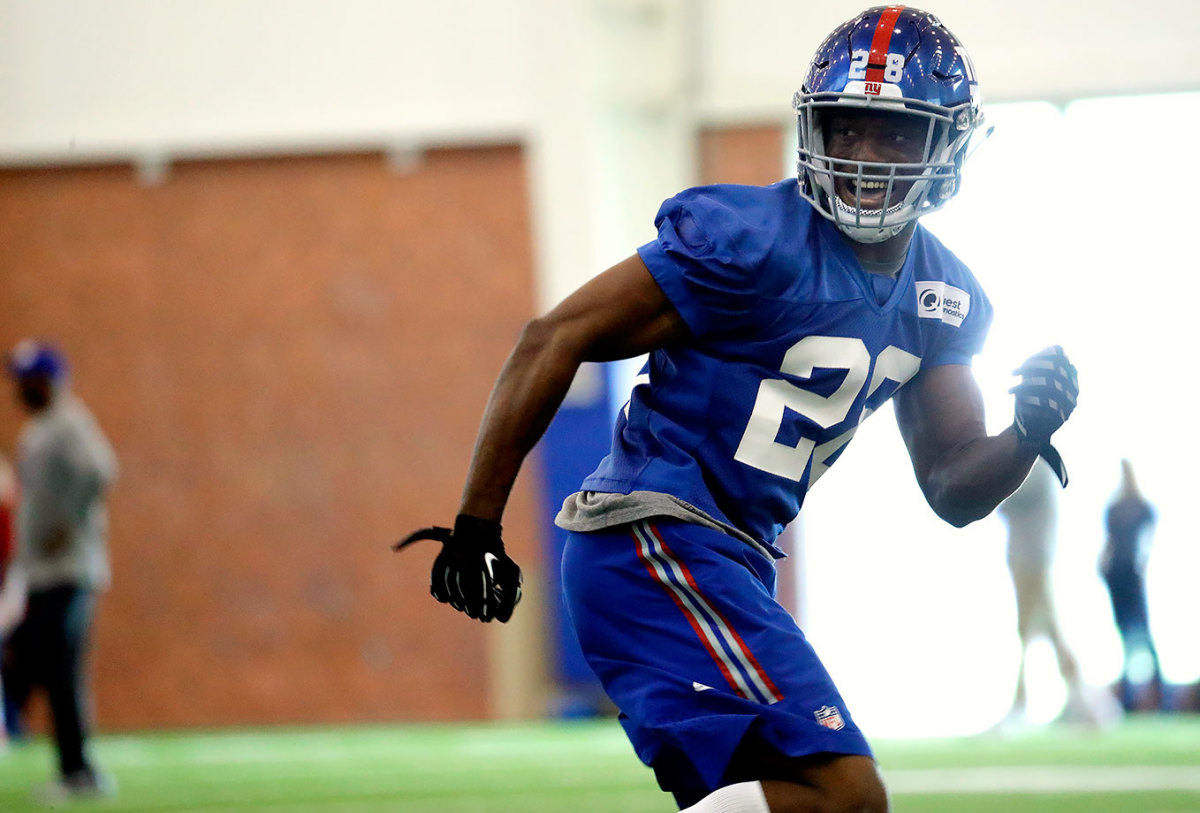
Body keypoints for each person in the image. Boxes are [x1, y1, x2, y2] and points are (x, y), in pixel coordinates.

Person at [397, 7, 1078, 812]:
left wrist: (1026, 436)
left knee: (789, 797)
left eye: (894, 133)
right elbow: (554, 336)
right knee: (846, 794)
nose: (864, 156)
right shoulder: (751, 239)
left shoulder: (946, 296)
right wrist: (478, 520)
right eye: (847, 128)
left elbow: (954, 486)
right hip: (653, 536)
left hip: (725, 557)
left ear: (950, 146)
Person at [0, 339, 117, 799]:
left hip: (69, 572)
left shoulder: (69, 424)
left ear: (49, 381)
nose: (19, 389)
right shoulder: (40, 430)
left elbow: (100, 470)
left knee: (59, 669)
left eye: (28, 380)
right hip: (42, 574)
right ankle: (45, 749)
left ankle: (79, 772)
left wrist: (67, 523)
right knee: (29, 660)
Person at [995, 458, 1106, 729]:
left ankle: (1025, 706)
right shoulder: (1037, 465)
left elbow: (1005, 498)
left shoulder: (1037, 467)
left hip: (1035, 559)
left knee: (1030, 631)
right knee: (1043, 631)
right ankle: (1087, 705)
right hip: (1026, 558)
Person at [1099, 458, 1163, 712]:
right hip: (1116, 575)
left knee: (1142, 634)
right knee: (1125, 635)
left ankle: (1161, 698)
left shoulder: (1141, 507)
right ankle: (1128, 701)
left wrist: (1142, 568)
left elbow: (1147, 543)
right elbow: (1109, 544)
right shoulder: (1115, 509)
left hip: (1131, 576)